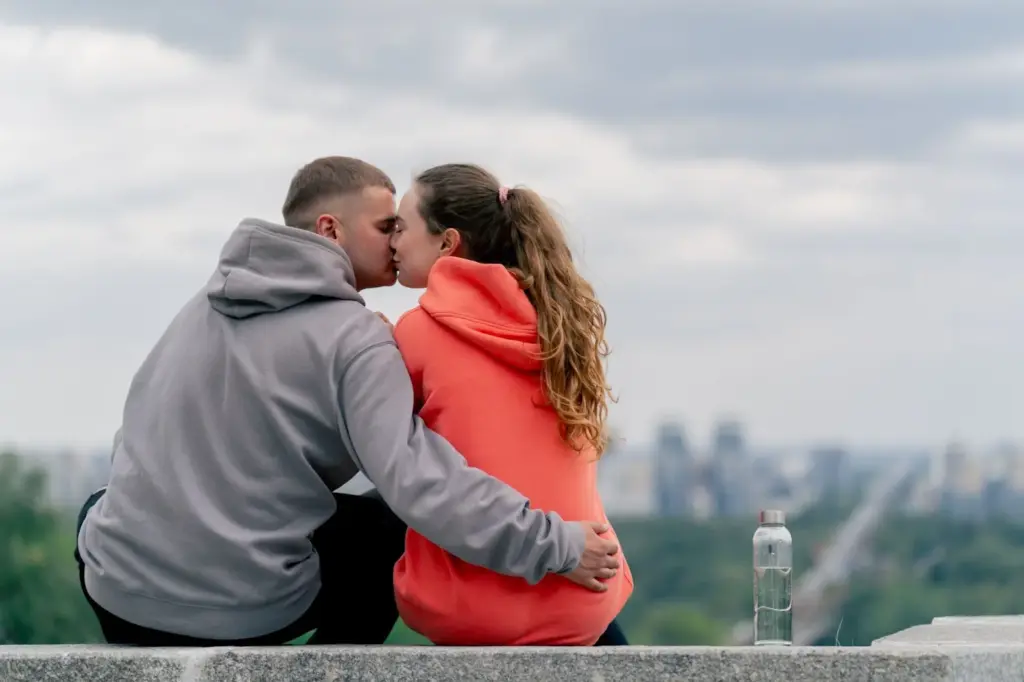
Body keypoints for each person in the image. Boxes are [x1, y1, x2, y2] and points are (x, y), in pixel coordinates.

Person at [74, 156, 621, 646]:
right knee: (386, 532)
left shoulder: (205, 304)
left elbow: (135, 438)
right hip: (242, 616)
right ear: (330, 229)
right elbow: (419, 481)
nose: (394, 241)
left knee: (98, 505)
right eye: (385, 226)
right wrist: (554, 544)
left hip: (118, 597)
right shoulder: (358, 340)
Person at [388, 163, 633, 646]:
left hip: (471, 610)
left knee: (371, 517)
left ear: (447, 243)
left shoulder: (416, 332)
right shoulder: (561, 329)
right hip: (589, 595)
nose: (392, 242)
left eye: (400, 227)